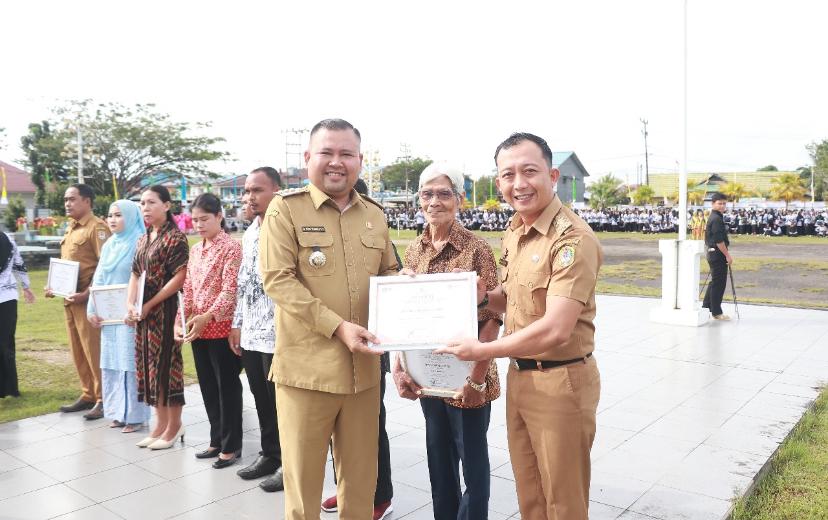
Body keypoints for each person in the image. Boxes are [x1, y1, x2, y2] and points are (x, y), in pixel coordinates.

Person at [437, 132, 602, 520]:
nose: (519, 183)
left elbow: (555, 329)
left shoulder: (573, 239)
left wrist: (482, 351)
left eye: (530, 171)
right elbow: (512, 297)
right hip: (522, 377)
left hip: (561, 382)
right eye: (508, 174)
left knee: (563, 502)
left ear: (553, 175)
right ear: (499, 183)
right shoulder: (516, 230)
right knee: (530, 495)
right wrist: (481, 297)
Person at [259, 118, 400, 520]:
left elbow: (387, 272)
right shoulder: (285, 210)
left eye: (347, 154)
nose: (336, 162)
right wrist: (338, 327)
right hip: (308, 374)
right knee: (303, 490)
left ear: (359, 160)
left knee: (360, 485)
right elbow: (278, 281)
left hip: (364, 374)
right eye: (327, 152)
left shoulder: (374, 214)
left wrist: (403, 287)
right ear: (308, 158)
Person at [392, 162, 501, 520]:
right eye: (427, 194)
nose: (434, 201)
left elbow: (493, 319)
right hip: (428, 378)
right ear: (418, 199)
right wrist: (400, 366)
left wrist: (476, 378)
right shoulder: (414, 250)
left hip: (468, 377)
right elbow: (405, 321)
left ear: (459, 199)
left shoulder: (477, 249)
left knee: (473, 466)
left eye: (444, 193)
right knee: (439, 461)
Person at [321, 177, 395, 516]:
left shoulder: (374, 224)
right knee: (338, 428)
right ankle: (347, 488)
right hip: (331, 344)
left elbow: (391, 275)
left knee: (370, 425)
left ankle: (378, 495)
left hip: (369, 342)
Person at [177, 193, 244, 467]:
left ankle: (231, 445)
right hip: (198, 330)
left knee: (226, 387)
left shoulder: (231, 248)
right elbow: (189, 288)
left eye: (205, 219)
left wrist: (208, 315)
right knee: (207, 387)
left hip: (223, 329)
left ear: (219, 217)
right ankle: (216, 440)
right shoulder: (196, 249)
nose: (199, 225)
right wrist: (181, 319)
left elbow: (231, 290)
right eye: (195, 220)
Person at [229, 167, 285, 490]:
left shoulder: (284, 228)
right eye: (247, 191)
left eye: (257, 190)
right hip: (251, 331)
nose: (250, 197)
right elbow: (243, 281)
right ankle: (270, 454)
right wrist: (237, 324)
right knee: (261, 399)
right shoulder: (250, 232)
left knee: (281, 403)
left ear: (276, 191)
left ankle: (290, 464)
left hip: (278, 335)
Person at [128, 185, 189, 450]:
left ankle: (174, 425)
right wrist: (130, 305)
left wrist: (151, 303)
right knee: (150, 369)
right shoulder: (143, 239)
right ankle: (159, 424)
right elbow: (134, 274)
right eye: (142, 203)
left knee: (166, 369)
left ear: (166, 205)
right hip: (144, 316)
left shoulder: (175, 238)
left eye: (151, 202)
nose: (146, 208)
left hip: (165, 313)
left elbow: (180, 277)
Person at [86, 200, 151, 432]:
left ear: (132, 217)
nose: (112, 220)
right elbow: (99, 277)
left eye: (118, 215)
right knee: (112, 363)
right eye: (110, 215)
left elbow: (144, 282)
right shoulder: (110, 245)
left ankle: (134, 415)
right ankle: (116, 411)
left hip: (129, 315)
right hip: (109, 316)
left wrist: (135, 308)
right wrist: (92, 309)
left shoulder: (140, 244)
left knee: (130, 364)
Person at [47, 184, 111, 419]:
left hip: (88, 301)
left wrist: (88, 293)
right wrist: (53, 286)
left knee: (94, 351)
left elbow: (104, 266)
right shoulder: (71, 228)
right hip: (70, 300)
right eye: (66, 199)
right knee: (78, 350)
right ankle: (88, 394)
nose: (67, 203)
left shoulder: (98, 228)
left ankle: (104, 398)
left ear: (87, 201)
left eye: (72, 199)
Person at [1, 233, 35, 398]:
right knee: (6, 343)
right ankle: (10, 388)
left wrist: (27, 287)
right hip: (8, 297)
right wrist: (26, 286)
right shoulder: (7, 239)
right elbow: (19, 264)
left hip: (6, 297)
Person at [702, 192, 733, 321]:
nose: (722, 206)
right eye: (719, 203)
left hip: (713, 253)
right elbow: (719, 241)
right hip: (717, 254)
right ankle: (716, 312)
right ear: (713, 204)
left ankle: (706, 306)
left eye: (724, 203)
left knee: (715, 282)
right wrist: (727, 255)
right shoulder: (716, 219)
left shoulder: (716, 217)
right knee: (719, 284)